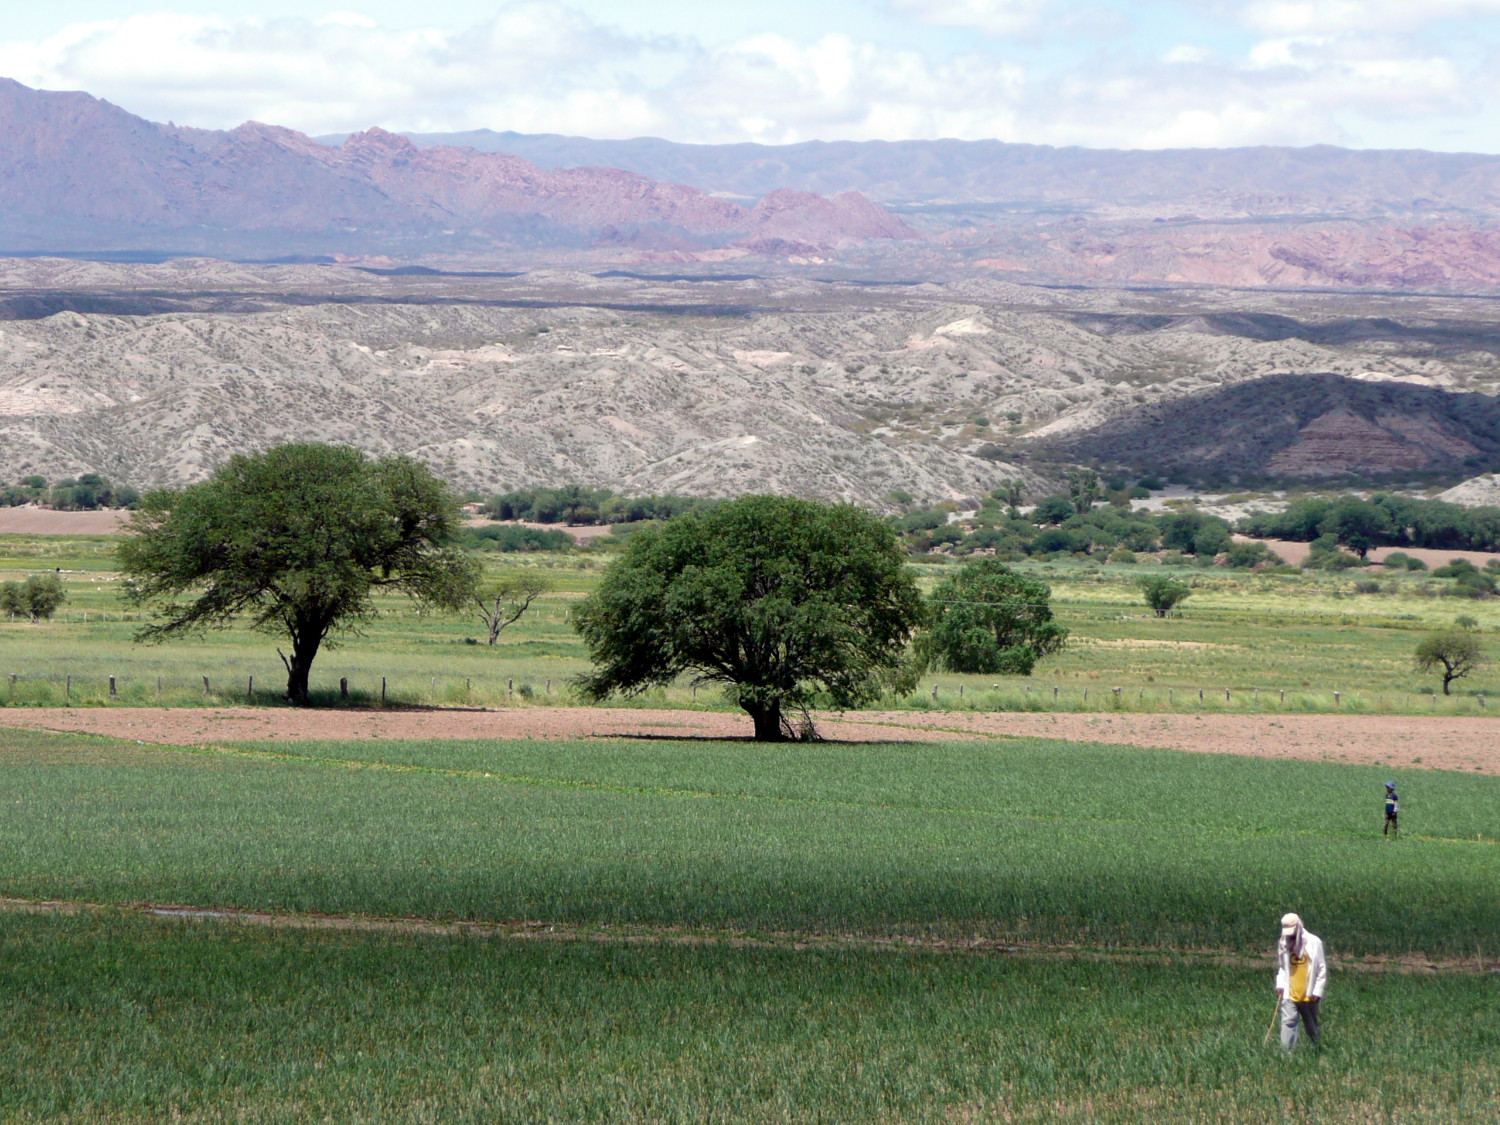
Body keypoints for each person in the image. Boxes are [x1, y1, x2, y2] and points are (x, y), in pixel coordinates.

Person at [1275, 912, 1327, 1050]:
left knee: (1311, 1026)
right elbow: (1282, 968)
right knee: (1288, 1023)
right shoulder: (1283, 943)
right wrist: (1280, 985)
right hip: (1290, 993)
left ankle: (1317, 1049)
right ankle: (1286, 1056)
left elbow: (1321, 968)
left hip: (1308, 994)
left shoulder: (1314, 942)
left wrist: (1318, 991)